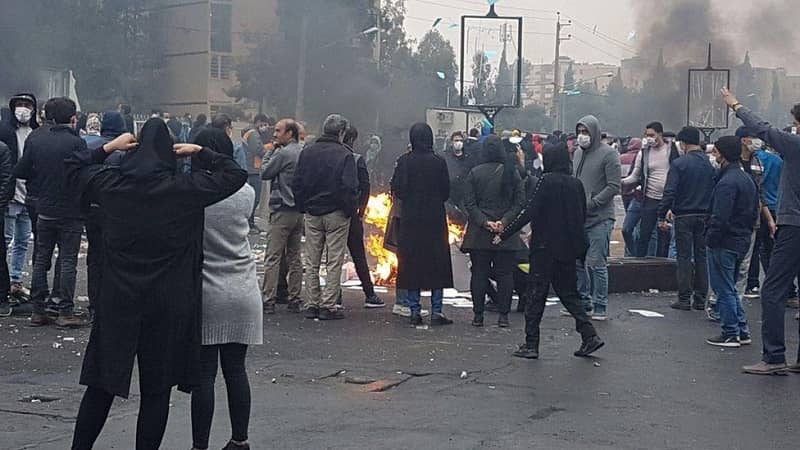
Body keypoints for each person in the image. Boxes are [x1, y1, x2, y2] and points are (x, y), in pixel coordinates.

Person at [67, 118, 246, 449]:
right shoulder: (184, 190)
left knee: (102, 384)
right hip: (167, 302)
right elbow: (235, 175)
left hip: (118, 299)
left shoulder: (110, 185)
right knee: (156, 390)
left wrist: (108, 148)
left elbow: (72, 169)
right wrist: (201, 152)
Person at [187, 128, 262, 450]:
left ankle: (199, 446)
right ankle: (239, 440)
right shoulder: (246, 193)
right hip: (243, 288)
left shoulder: (194, 193)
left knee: (205, 375)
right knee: (236, 370)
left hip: (208, 291)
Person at [498, 143, 604, 359]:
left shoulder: (545, 181)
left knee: (536, 295)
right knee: (569, 294)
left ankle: (531, 343)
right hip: (568, 249)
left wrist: (505, 233)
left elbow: (530, 211)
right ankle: (589, 334)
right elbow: (581, 215)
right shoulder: (576, 184)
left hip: (544, 248)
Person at [721, 88, 800, 374]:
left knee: (773, 290)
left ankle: (774, 357)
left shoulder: (795, 145)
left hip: (794, 225)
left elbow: (762, 129)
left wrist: (736, 105)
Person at [14, 97, 88, 328]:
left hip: (43, 208)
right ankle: (65, 311)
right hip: (71, 210)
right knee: (67, 260)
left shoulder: (36, 138)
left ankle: (38, 310)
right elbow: (85, 173)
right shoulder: (76, 143)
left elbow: (21, 170)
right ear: (72, 118)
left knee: (41, 259)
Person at [292, 114, 358, 320]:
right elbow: (349, 187)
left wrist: (303, 206)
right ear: (341, 132)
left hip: (312, 212)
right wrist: (349, 210)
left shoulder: (307, 152)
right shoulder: (345, 154)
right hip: (336, 213)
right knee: (334, 260)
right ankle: (328, 305)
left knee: (312, 260)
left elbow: (297, 182)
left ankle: (312, 302)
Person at [390, 123, 454, 326]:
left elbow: (398, 189)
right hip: (434, 219)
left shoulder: (404, 161)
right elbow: (446, 191)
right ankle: (437, 310)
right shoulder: (439, 162)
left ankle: (414, 310)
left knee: (411, 263)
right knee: (437, 263)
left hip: (411, 219)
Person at [462, 135, 525, 328]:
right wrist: (503, 222)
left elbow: (469, 204)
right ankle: (503, 316)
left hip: (479, 233)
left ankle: (478, 315)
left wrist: (484, 222)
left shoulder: (475, 173)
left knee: (479, 274)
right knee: (505, 274)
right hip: (506, 233)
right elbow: (519, 202)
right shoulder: (511, 172)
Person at [704, 136, 758, 349]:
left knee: (723, 288)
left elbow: (720, 216)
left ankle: (730, 333)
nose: (714, 156)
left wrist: (710, 238)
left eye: (716, 152)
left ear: (723, 154)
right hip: (742, 239)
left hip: (724, 241)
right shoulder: (746, 179)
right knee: (731, 287)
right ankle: (741, 330)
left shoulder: (726, 183)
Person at [658, 126, 716, 311]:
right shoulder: (709, 164)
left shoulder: (679, 164)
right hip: (704, 215)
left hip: (684, 214)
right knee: (701, 256)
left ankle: (684, 298)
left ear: (683, 143)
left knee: (684, 257)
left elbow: (670, 191)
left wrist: (662, 214)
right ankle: (700, 298)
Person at [573, 116, 622, 320]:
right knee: (578, 262)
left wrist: (593, 203)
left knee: (595, 263)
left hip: (600, 217)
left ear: (594, 132)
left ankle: (600, 305)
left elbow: (613, 186)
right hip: (579, 217)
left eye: (585, 132)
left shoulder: (609, 154)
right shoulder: (577, 153)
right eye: (579, 132)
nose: (582, 136)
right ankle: (583, 302)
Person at [82, 111, 128, 321]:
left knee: (95, 257)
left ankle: (94, 305)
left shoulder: (89, 146)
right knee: (117, 258)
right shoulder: (125, 150)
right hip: (117, 211)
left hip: (92, 209)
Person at [0, 94, 40, 315]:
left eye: (27, 105)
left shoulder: (36, 132)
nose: (23, 109)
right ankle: (4, 281)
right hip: (10, 192)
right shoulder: (5, 131)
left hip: (29, 193)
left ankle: (15, 279)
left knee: (23, 239)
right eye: (19, 105)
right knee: (5, 239)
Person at [260, 118, 304, 314]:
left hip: (282, 210)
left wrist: (270, 151)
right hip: (299, 211)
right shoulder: (303, 151)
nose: (274, 134)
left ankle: (268, 299)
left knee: (273, 256)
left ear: (290, 133)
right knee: (295, 257)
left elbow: (265, 172)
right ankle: (295, 298)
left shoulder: (283, 153)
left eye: (279, 131)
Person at [622, 121, 679, 257]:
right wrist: (621, 181)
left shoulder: (672, 149)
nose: (649, 138)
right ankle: (641, 260)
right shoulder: (644, 153)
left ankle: (662, 262)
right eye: (647, 135)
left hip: (667, 199)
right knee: (645, 234)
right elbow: (635, 175)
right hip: (649, 199)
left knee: (665, 236)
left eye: (652, 135)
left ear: (660, 134)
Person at [342, 126, 385, 308]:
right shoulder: (356, 159)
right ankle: (369, 293)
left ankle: (332, 297)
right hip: (351, 214)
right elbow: (365, 187)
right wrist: (360, 211)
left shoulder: (326, 156)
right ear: (353, 140)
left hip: (329, 212)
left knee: (332, 257)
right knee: (358, 255)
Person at [244, 114, 273, 232]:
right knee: (254, 198)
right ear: (258, 122)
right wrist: (270, 148)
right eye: (264, 124)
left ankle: (249, 222)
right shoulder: (253, 134)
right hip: (253, 168)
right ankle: (249, 223)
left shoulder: (251, 133)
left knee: (253, 197)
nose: (265, 127)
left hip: (251, 167)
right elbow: (258, 150)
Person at [442, 131, 472, 223]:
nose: (459, 143)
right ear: (451, 142)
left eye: (461, 140)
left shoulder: (468, 157)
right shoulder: (445, 157)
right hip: (449, 195)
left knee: (466, 218)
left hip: (464, 195)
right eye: (456, 140)